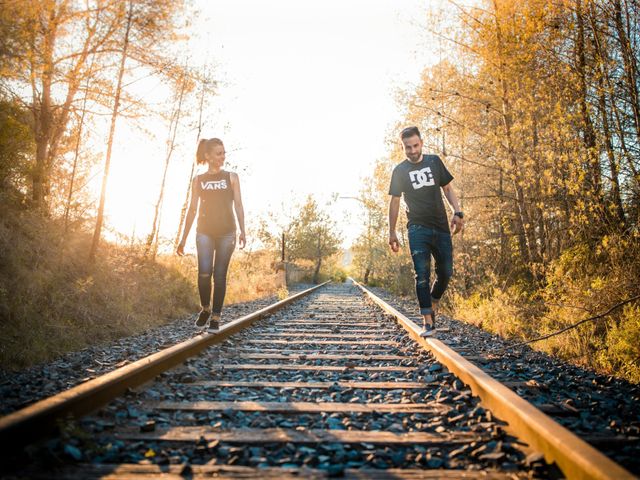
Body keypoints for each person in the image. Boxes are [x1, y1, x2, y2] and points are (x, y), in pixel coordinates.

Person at [388, 126, 464, 337]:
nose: (412, 150)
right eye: (407, 147)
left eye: (415, 145)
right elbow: (394, 201)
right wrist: (392, 232)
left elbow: (447, 188)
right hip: (417, 228)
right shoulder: (400, 171)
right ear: (402, 147)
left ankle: (433, 301)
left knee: (446, 273)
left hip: (440, 226)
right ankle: (427, 321)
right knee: (421, 274)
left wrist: (457, 212)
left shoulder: (434, 162)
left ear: (421, 143)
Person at [177, 138, 246, 332]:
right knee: (204, 273)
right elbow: (192, 210)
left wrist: (243, 230)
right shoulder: (198, 180)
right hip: (204, 231)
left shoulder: (232, 177)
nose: (223, 157)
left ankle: (216, 317)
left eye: (224, 153)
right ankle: (205, 308)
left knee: (220, 275)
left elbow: (239, 205)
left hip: (227, 232)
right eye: (219, 153)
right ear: (208, 156)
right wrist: (182, 239)